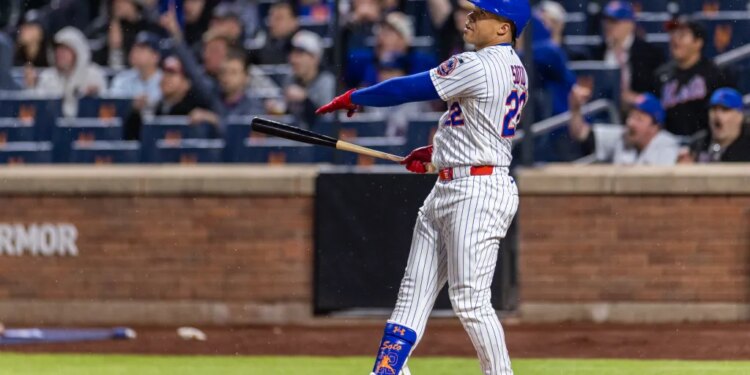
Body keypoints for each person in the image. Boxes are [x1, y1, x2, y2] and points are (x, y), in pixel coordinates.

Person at [316, 0, 531, 374]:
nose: (470, 16)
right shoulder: (514, 69)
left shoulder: (477, 64)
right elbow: (477, 127)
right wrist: (435, 155)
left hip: (476, 191)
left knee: (470, 301)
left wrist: (356, 96)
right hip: (459, 181)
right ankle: (387, 370)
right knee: (413, 292)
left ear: (503, 28)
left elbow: (409, 87)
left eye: (481, 14)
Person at [654, 17, 735, 137]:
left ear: (698, 42)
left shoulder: (716, 74)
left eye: (682, 35)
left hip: (704, 143)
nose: (675, 39)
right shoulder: (661, 74)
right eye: (672, 34)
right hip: (668, 145)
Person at [568, 87, 680, 165]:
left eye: (639, 119)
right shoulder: (623, 136)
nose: (630, 123)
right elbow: (581, 133)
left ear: (655, 127)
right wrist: (575, 109)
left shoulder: (666, 144)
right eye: (631, 116)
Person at [593, 1, 666, 107]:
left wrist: (637, 98)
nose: (608, 25)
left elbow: (658, 92)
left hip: (639, 111)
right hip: (604, 110)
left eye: (614, 21)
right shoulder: (596, 52)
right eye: (606, 21)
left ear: (630, 24)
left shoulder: (651, 54)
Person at [124, 56, 213, 139]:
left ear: (186, 83)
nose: (165, 78)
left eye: (172, 74)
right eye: (164, 73)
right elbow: (135, 140)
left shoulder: (196, 107)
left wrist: (208, 118)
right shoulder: (156, 108)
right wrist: (135, 113)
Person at [34, 27, 107, 118]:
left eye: (65, 49)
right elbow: (37, 109)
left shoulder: (94, 75)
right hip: (53, 130)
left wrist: (92, 99)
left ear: (78, 51)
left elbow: (106, 108)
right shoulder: (47, 77)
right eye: (57, 49)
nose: (59, 53)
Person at [276, 30, 335, 128]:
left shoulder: (327, 82)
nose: (293, 59)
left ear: (315, 58)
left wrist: (305, 100)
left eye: (299, 54)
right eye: (291, 53)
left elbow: (327, 124)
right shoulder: (289, 78)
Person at [681, 88, 750, 163]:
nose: (717, 115)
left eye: (725, 109)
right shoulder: (698, 143)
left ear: (740, 115)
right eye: (713, 109)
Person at [109, 31, 163, 114]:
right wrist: (131, 105)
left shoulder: (165, 80)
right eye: (135, 47)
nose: (135, 52)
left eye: (142, 49)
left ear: (155, 56)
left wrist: (150, 104)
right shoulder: (122, 78)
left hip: (154, 125)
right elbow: (113, 103)